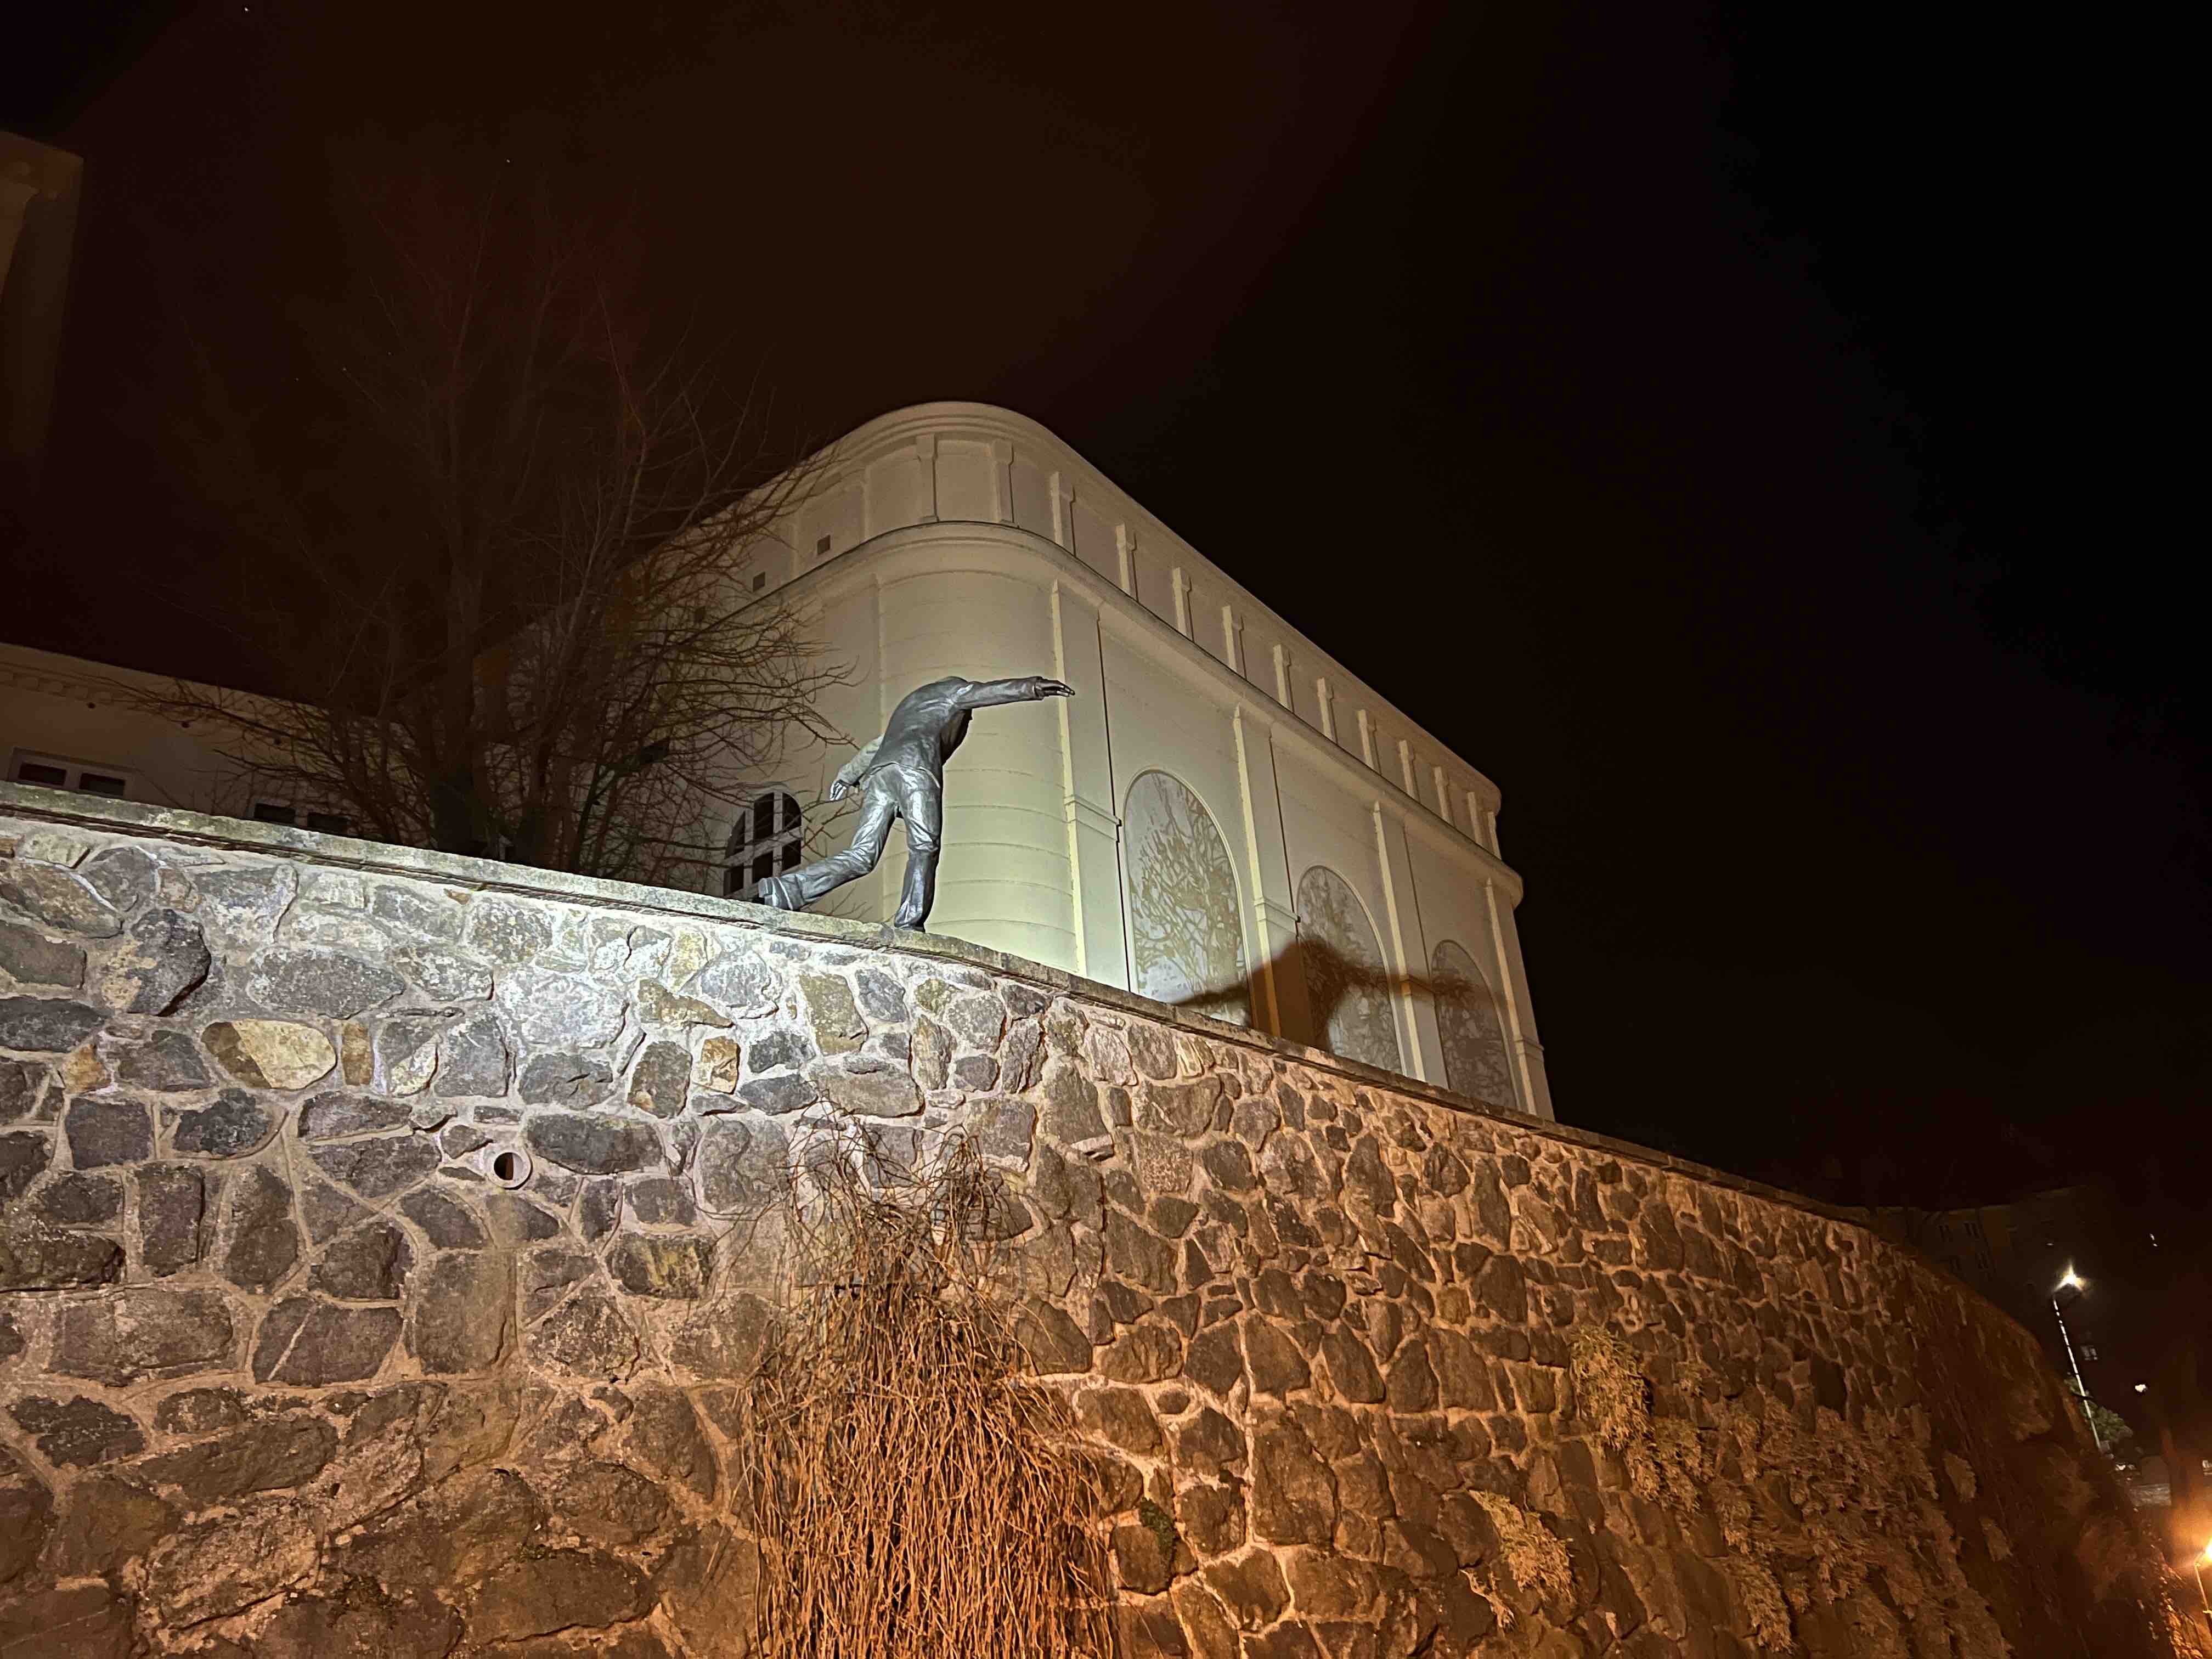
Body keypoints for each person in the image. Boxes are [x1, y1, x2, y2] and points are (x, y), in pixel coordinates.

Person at [753, 674, 1074, 930]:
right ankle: (909, 922)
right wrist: (1033, 687)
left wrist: (848, 775)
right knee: (924, 848)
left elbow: (876, 746)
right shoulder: (953, 693)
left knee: (862, 855)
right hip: (915, 770)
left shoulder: (908, 707)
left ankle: (786, 890)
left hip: (881, 774)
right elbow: (988, 692)